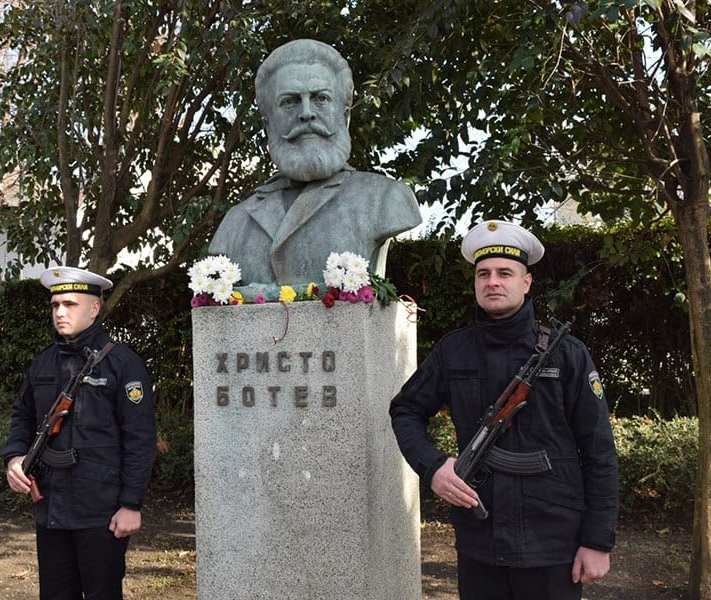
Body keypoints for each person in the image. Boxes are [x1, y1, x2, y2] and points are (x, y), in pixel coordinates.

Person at [389, 221, 618, 600]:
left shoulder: (567, 354)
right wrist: (433, 467)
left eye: (504, 273)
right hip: (480, 545)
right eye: (484, 274)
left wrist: (598, 541)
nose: (492, 281)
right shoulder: (453, 351)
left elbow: (599, 452)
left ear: (526, 282)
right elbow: (405, 411)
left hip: (552, 545)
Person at [209, 39, 421, 296]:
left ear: (345, 116)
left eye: (320, 98)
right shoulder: (236, 222)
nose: (306, 113)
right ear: (269, 124)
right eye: (290, 102)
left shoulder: (386, 199)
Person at [1, 266, 157, 600]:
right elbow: (23, 416)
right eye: (55, 304)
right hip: (51, 508)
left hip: (101, 512)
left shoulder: (123, 364)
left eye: (70, 304)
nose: (60, 312)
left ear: (94, 309)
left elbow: (140, 438)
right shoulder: (42, 363)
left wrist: (131, 504)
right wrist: (15, 457)